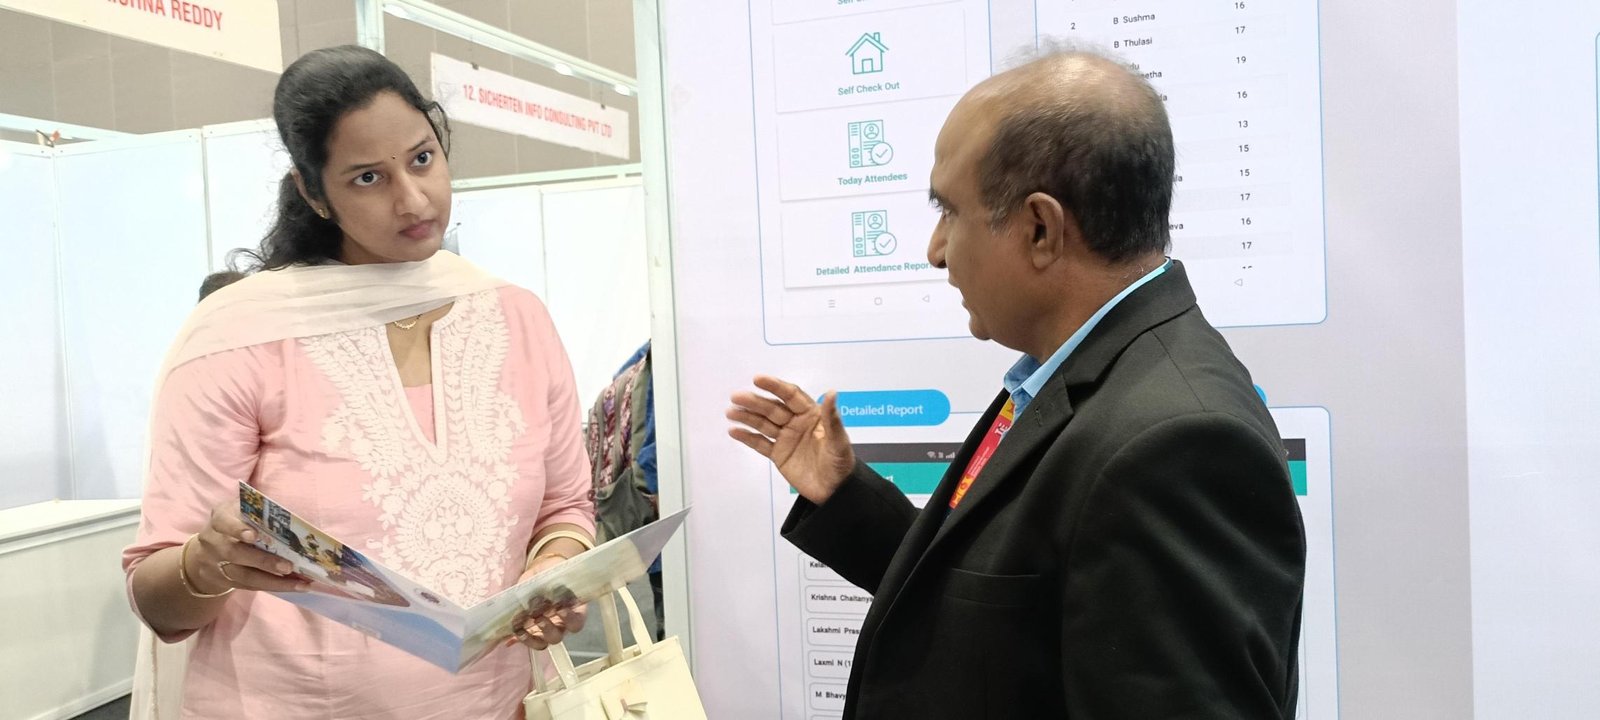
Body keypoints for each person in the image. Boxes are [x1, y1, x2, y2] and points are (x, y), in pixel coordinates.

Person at [728, 47, 1307, 718]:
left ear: (1040, 229)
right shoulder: (1081, 380)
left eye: (949, 212)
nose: (935, 251)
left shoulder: (1172, 444)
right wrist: (843, 497)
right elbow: (1000, 615)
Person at [122, 45, 595, 719]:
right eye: (368, 178)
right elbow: (156, 599)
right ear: (313, 193)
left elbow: (566, 507)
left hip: (500, 703)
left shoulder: (516, 317)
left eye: (423, 159)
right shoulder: (240, 338)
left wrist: (555, 570)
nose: (413, 198)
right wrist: (205, 563)